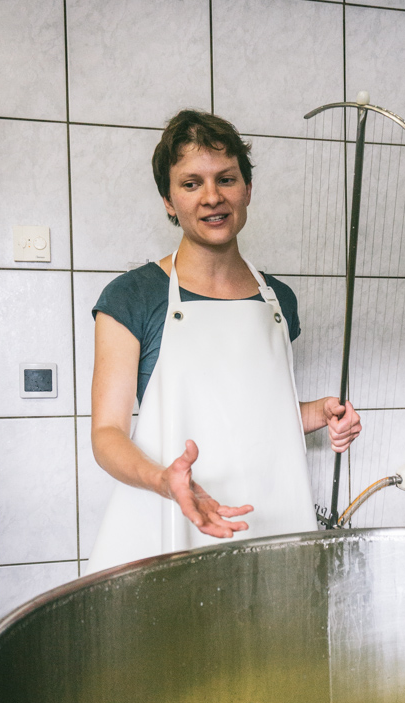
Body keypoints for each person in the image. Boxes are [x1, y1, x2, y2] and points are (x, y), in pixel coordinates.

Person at [86, 109, 361, 574]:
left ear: (247, 190)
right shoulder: (133, 296)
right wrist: (163, 480)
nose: (212, 197)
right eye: (191, 183)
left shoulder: (279, 300)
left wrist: (321, 413)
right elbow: (106, 434)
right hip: (169, 523)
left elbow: (246, 415)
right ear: (168, 200)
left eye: (226, 179)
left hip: (271, 522)